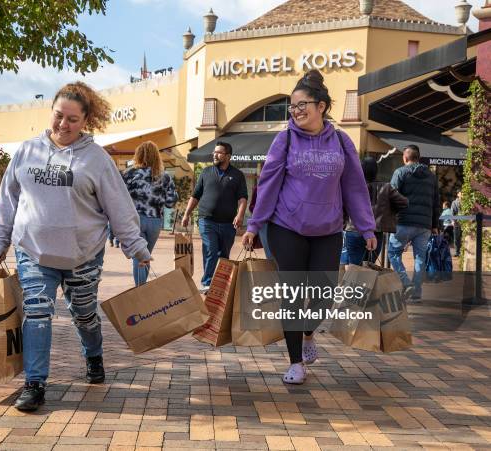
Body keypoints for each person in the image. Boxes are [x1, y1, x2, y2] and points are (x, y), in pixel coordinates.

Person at [0, 81, 151, 412]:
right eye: (59, 116)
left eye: (73, 119)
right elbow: (8, 198)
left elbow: (118, 207)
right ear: (50, 112)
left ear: (85, 121)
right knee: (36, 312)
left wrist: (137, 247)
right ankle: (34, 384)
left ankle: (93, 356)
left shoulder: (97, 159)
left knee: (84, 314)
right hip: (34, 250)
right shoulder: (27, 150)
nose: (63, 125)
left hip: (83, 255)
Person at [242, 70, 376, 385]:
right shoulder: (284, 139)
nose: (297, 111)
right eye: (293, 106)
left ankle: (307, 332)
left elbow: (355, 187)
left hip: (328, 229)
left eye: (303, 105)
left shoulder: (342, 141)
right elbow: (268, 184)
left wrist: (367, 228)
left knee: (324, 294)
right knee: (292, 294)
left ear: (322, 107)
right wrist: (254, 224)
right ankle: (295, 362)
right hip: (286, 227)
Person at [181, 141, 248, 290]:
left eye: (219, 153)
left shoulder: (237, 175)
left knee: (223, 255)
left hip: (228, 223)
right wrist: (186, 214)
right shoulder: (206, 172)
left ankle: (220, 285)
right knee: (211, 250)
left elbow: (243, 198)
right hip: (206, 220)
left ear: (228, 156)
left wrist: (240, 215)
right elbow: (195, 195)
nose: (215, 155)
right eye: (214, 152)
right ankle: (207, 284)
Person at [388, 144, 440, 303]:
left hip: (403, 222)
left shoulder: (400, 172)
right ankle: (416, 293)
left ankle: (406, 282)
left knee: (393, 253)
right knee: (420, 258)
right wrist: (434, 224)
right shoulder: (431, 176)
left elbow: (391, 197)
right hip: (424, 224)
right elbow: (436, 201)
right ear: (419, 157)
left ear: (405, 158)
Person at [122, 141, 178, 285]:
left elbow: (119, 198)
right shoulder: (164, 177)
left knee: (139, 256)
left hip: (134, 220)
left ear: (138, 155)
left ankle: (140, 291)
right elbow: (171, 202)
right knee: (145, 256)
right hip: (155, 221)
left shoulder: (128, 174)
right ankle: (143, 290)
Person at [343, 157, 408, 267]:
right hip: (376, 231)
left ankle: (355, 284)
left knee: (354, 267)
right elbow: (404, 203)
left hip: (353, 229)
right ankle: (364, 284)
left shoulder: (352, 186)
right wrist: (389, 211)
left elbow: (343, 206)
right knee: (369, 267)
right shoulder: (386, 187)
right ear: (376, 171)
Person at [451, 191, 462, 257]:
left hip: (465, 223)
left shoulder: (467, 202)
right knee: (456, 238)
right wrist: (453, 221)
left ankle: (462, 251)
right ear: (458, 194)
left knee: (463, 237)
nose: (462, 194)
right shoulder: (454, 202)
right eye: (461, 192)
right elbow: (452, 212)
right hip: (457, 223)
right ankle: (457, 251)